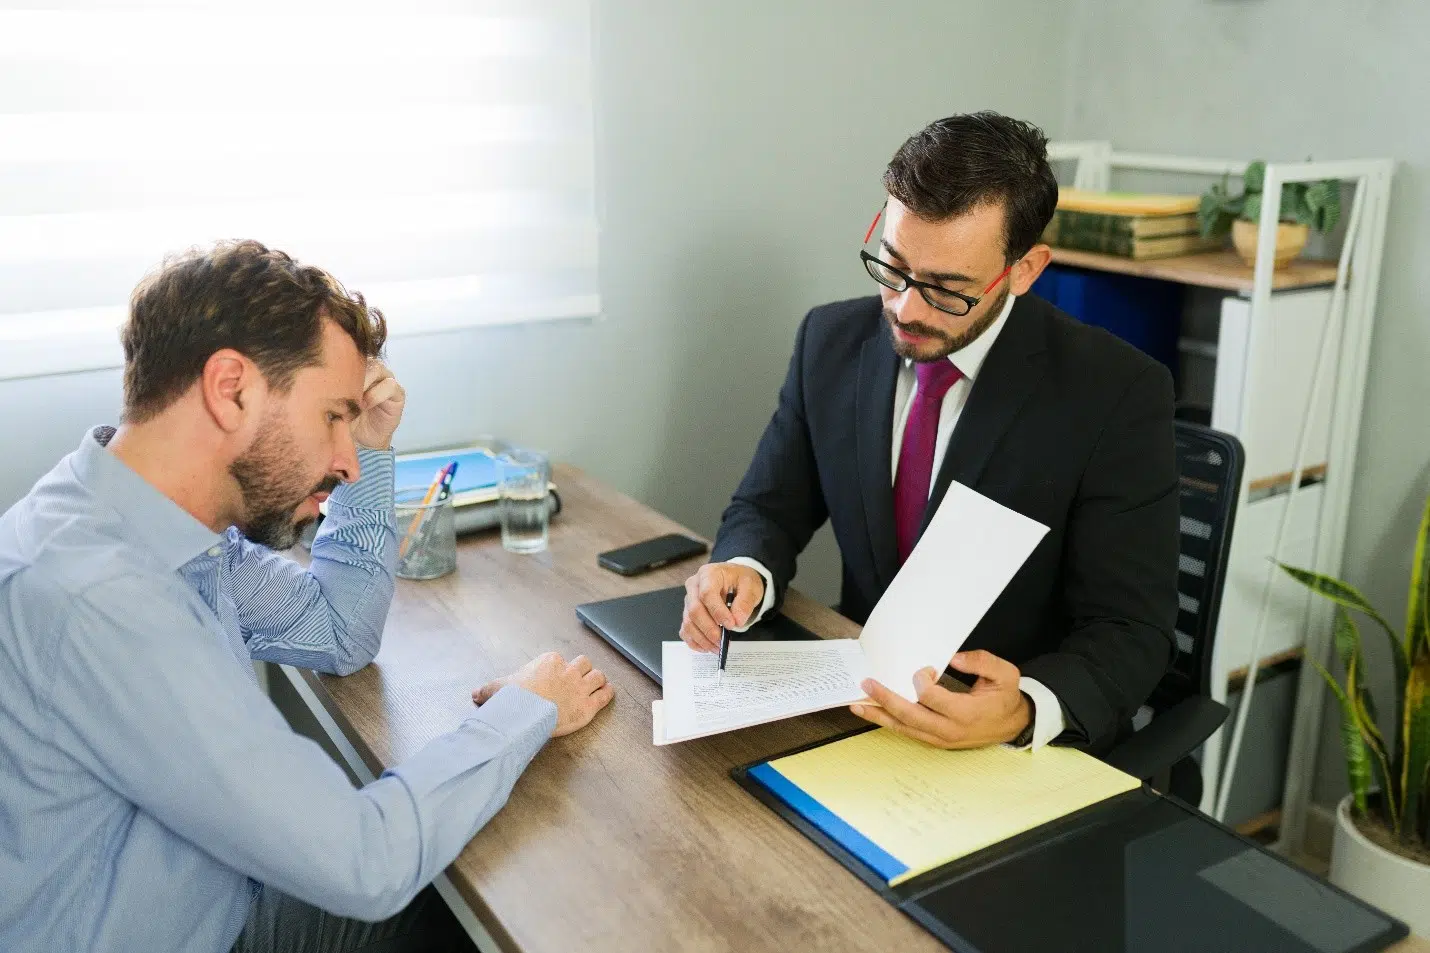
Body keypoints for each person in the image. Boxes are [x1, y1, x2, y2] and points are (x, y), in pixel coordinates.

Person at [0, 240, 614, 953]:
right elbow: (365, 860)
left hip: (211, 903)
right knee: (507, 907)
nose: (347, 457)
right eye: (332, 417)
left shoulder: (155, 528)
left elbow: (339, 628)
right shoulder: (102, 600)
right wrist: (527, 705)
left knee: (480, 867)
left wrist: (373, 446)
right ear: (231, 389)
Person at [680, 112, 1178, 755]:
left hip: (1005, 745)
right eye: (892, 266)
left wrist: (1026, 707)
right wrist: (742, 568)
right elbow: (769, 506)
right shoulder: (829, 343)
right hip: (862, 712)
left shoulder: (1116, 391)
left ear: (1025, 270)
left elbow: (1133, 630)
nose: (906, 308)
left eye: (948, 290)